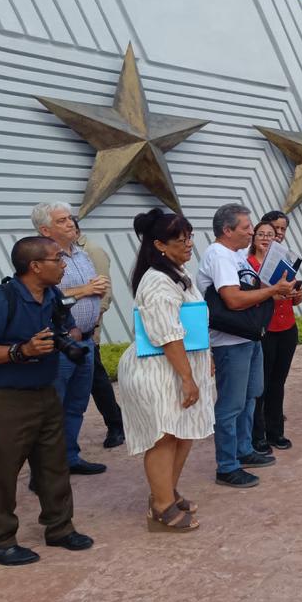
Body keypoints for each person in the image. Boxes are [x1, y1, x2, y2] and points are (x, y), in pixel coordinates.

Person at [0, 236, 94, 565]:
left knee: (54, 465)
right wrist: (19, 351)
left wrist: (64, 339)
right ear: (35, 266)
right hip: (5, 400)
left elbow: (65, 329)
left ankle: (59, 528)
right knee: (2, 472)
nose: (64, 264)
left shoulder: (52, 295)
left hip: (45, 393)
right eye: (57, 259)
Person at [117, 209, 216, 532]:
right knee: (164, 437)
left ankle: (166, 493)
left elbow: (194, 323)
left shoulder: (176, 273)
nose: (189, 243)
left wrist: (205, 359)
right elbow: (167, 334)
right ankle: (160, 507)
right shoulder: (158, 281)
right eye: (180, 239)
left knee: (182, 431)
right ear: (159, 244)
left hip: (178, 366)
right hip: (160, 371)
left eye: (189, 236)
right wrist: (188, 378)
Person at [197, 203, 294, 488]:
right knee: (231, 404)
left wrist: (279, 291)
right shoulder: (219, 256)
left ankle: (244, 450)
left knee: (251, 396)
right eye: (246, 227)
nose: (252, 231)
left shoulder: (235, 255)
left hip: (249, 336)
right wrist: (274, 290)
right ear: (227, 230)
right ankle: (227, 465)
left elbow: (251, 291)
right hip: (229, 341)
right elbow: (233, 299)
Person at [31, 201, 107, 475]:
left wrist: (96, 294)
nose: (70, 223)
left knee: (76, 405)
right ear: (45, 229)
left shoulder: (81, 255)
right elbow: (49, 298)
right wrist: (86, 290)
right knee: (53, 408)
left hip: (84, 340)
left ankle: (69, 458)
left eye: (70, 218)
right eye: (62, 220)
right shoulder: (40, 260)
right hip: (59, 344)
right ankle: (45, 469)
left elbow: (87, 291)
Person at [247, 220, 302, 452]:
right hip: (264, 330)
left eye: (271, 235)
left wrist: (297, 293)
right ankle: (257, 435)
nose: (266, 238)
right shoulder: (247, 264)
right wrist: (271, 294)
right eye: (261, 234)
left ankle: (275, 431)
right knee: (261, 384)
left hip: (287, 327)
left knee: (278, 383)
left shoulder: (284, 264)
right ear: (253, 238)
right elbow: (246, 299)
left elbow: (296, 299)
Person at [73, 218, 125, 449]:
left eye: (68, 222)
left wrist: (94, 321)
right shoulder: (50, 252)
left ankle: (116, 423)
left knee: (97, 378)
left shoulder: (90, 252)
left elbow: (104, 292)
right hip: (62, 332)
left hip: (87, 330)